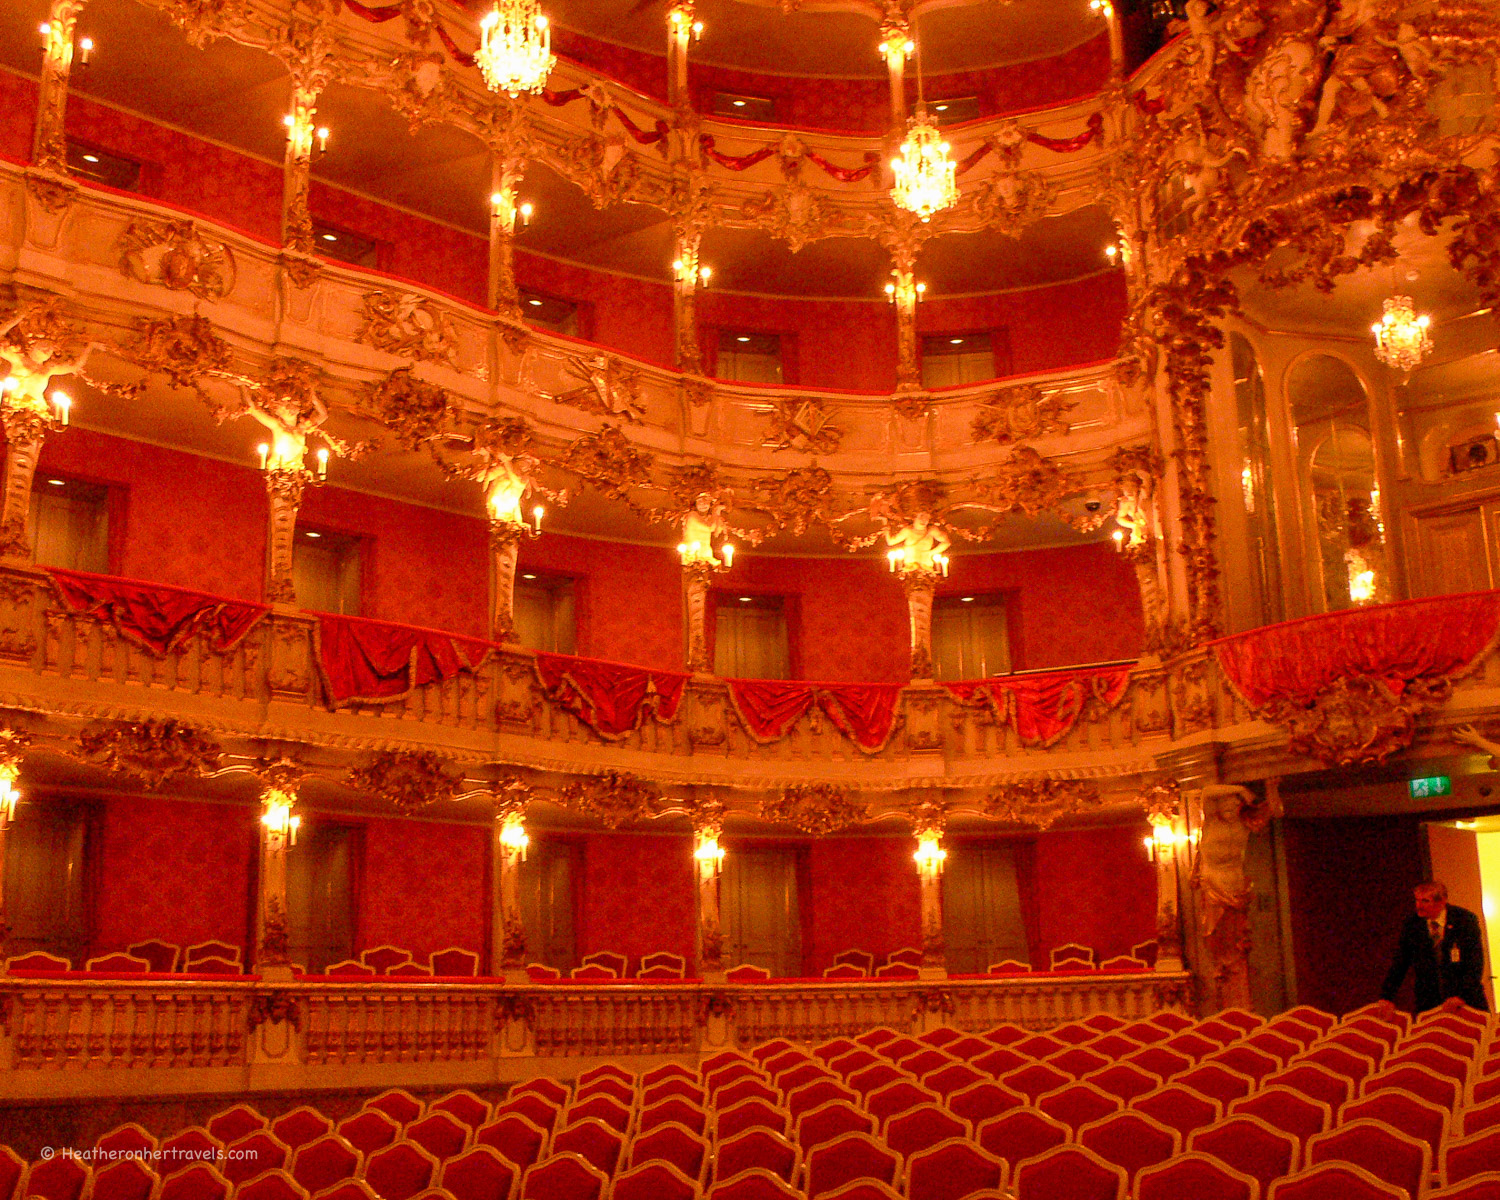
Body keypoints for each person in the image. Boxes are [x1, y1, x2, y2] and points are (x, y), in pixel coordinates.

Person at [1377, 880, 1489, 1016]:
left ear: (1442, 902)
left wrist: (1461, 995)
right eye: (1417, 900)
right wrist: (1386, 997)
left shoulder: (1464, 920)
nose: (1419, 906)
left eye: (1425, 901)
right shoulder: (1412, 925)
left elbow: (1475, 962)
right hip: (1429, 1002)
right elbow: (1400, 963)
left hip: (1466, 1001)